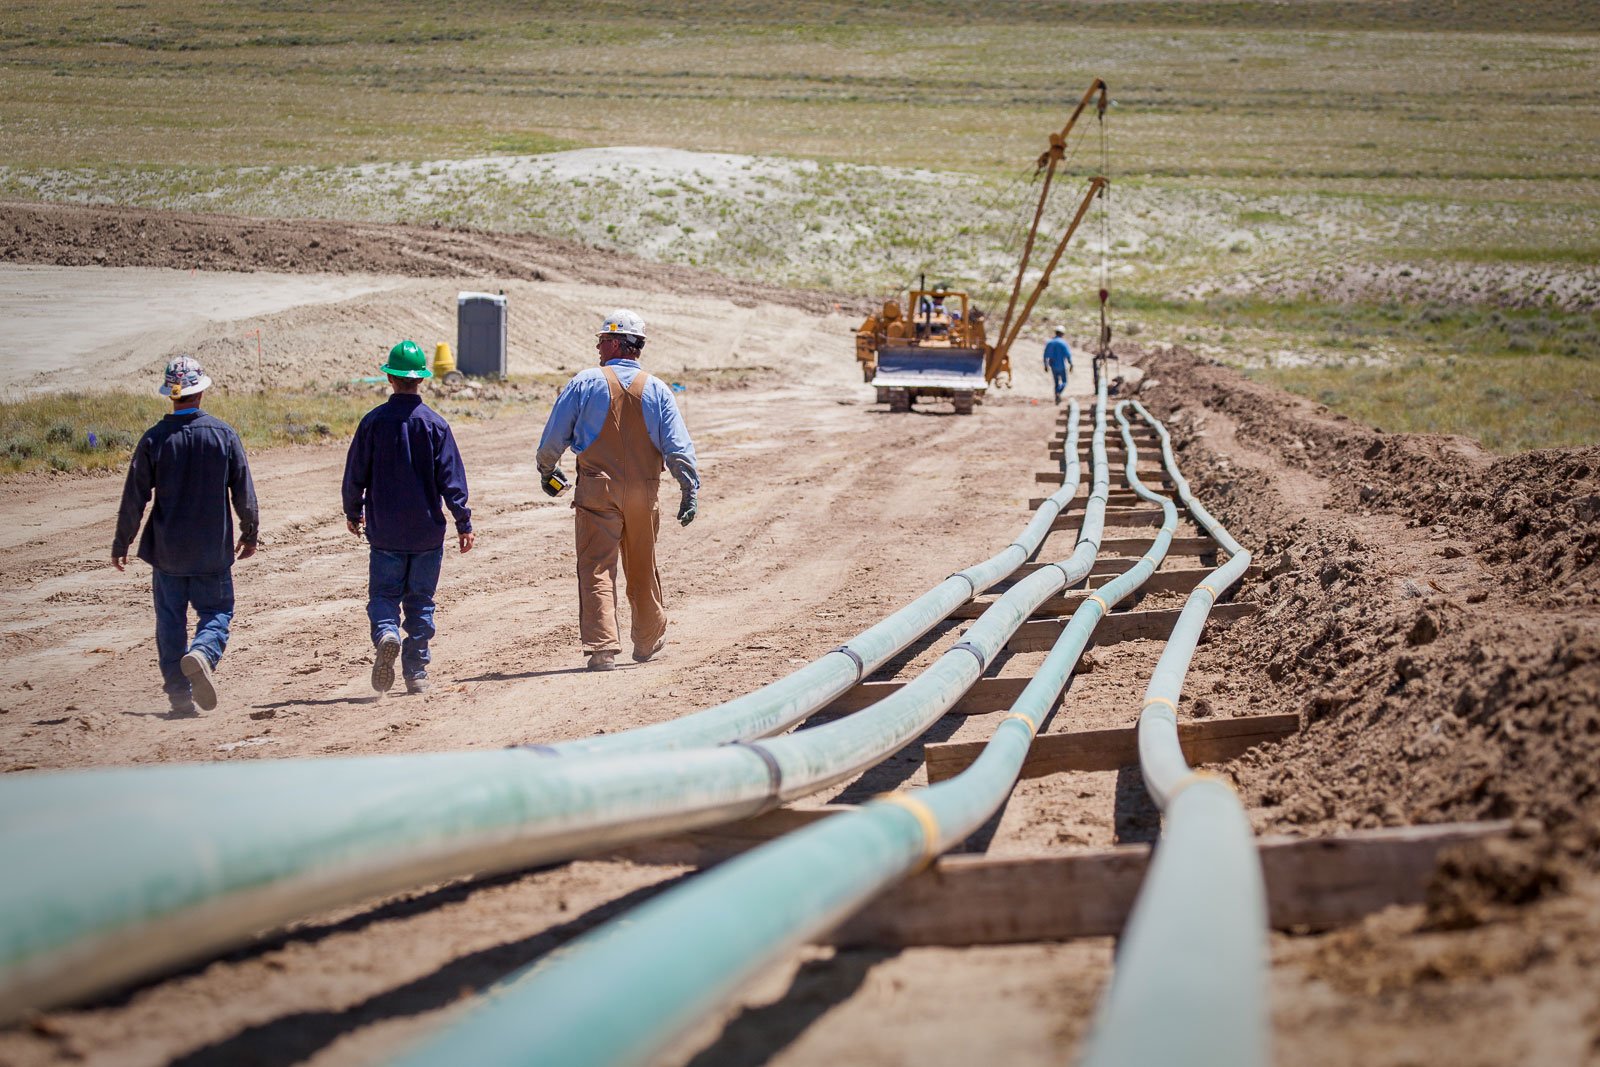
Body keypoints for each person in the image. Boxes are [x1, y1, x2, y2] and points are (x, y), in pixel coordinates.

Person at [537, 309, 699, 672]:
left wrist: (548, 469)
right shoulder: (657, 389)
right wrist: (689, 488)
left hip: (597, 489)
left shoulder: (584, 382)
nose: (597, 347)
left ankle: (602, 648)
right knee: (643, 565)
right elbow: (677, 447)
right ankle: (647, 639)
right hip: (645, 490)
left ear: (615, 343)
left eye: (601, 340)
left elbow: (553, 438)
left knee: (596, 567)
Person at [113, 356, 258, 715]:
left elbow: (135, 496)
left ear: (171, 395)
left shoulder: (154, 440)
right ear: (201, 392)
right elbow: (244, 491)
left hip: (168, 553)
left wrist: (122, 542)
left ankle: (179, 695)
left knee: (170, 621)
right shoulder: (223, 435)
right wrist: (250, 532)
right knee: (217, 611)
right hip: (212, 550)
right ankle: (203, 653)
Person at [342, 340, 474, 695]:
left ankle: (386, 632)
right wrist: (463, 522)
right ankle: (415, 673)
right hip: (427, 533)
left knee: (384, 595)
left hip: (385, 532)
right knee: (420, 603)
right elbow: (452, 479)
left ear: (389, 377)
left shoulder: (372, 423)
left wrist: (353, 511)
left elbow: (355, 472)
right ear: (422, 380)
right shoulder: (435, 425)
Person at [1044, 326, 1074, 403]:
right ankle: (1058, 392)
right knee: (1064, 382)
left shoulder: (1050, 342)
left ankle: (1057, 396)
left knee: (1056, 382)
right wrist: (1071, 364)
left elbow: (1046, 355)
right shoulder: (1063, 343)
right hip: (1062, 366)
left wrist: (1046, 365)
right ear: (1062, 334)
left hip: (1053, 366)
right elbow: (1068, 355)